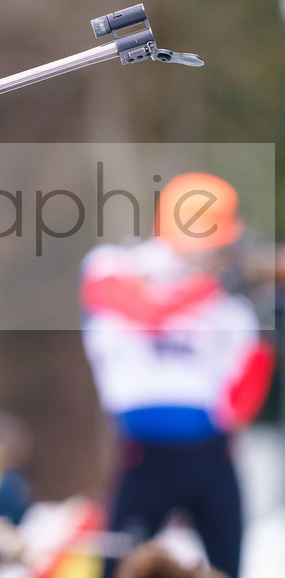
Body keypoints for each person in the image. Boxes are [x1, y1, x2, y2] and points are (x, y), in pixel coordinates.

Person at [79, 172, 276, 578]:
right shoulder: (113, 265)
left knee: (228, 565)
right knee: (117, 566)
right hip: (143, 449)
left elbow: (242, 399)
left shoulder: (228, 304)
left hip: (210, 451)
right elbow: (146, 315)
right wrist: (210, 285)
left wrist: (268, 323)